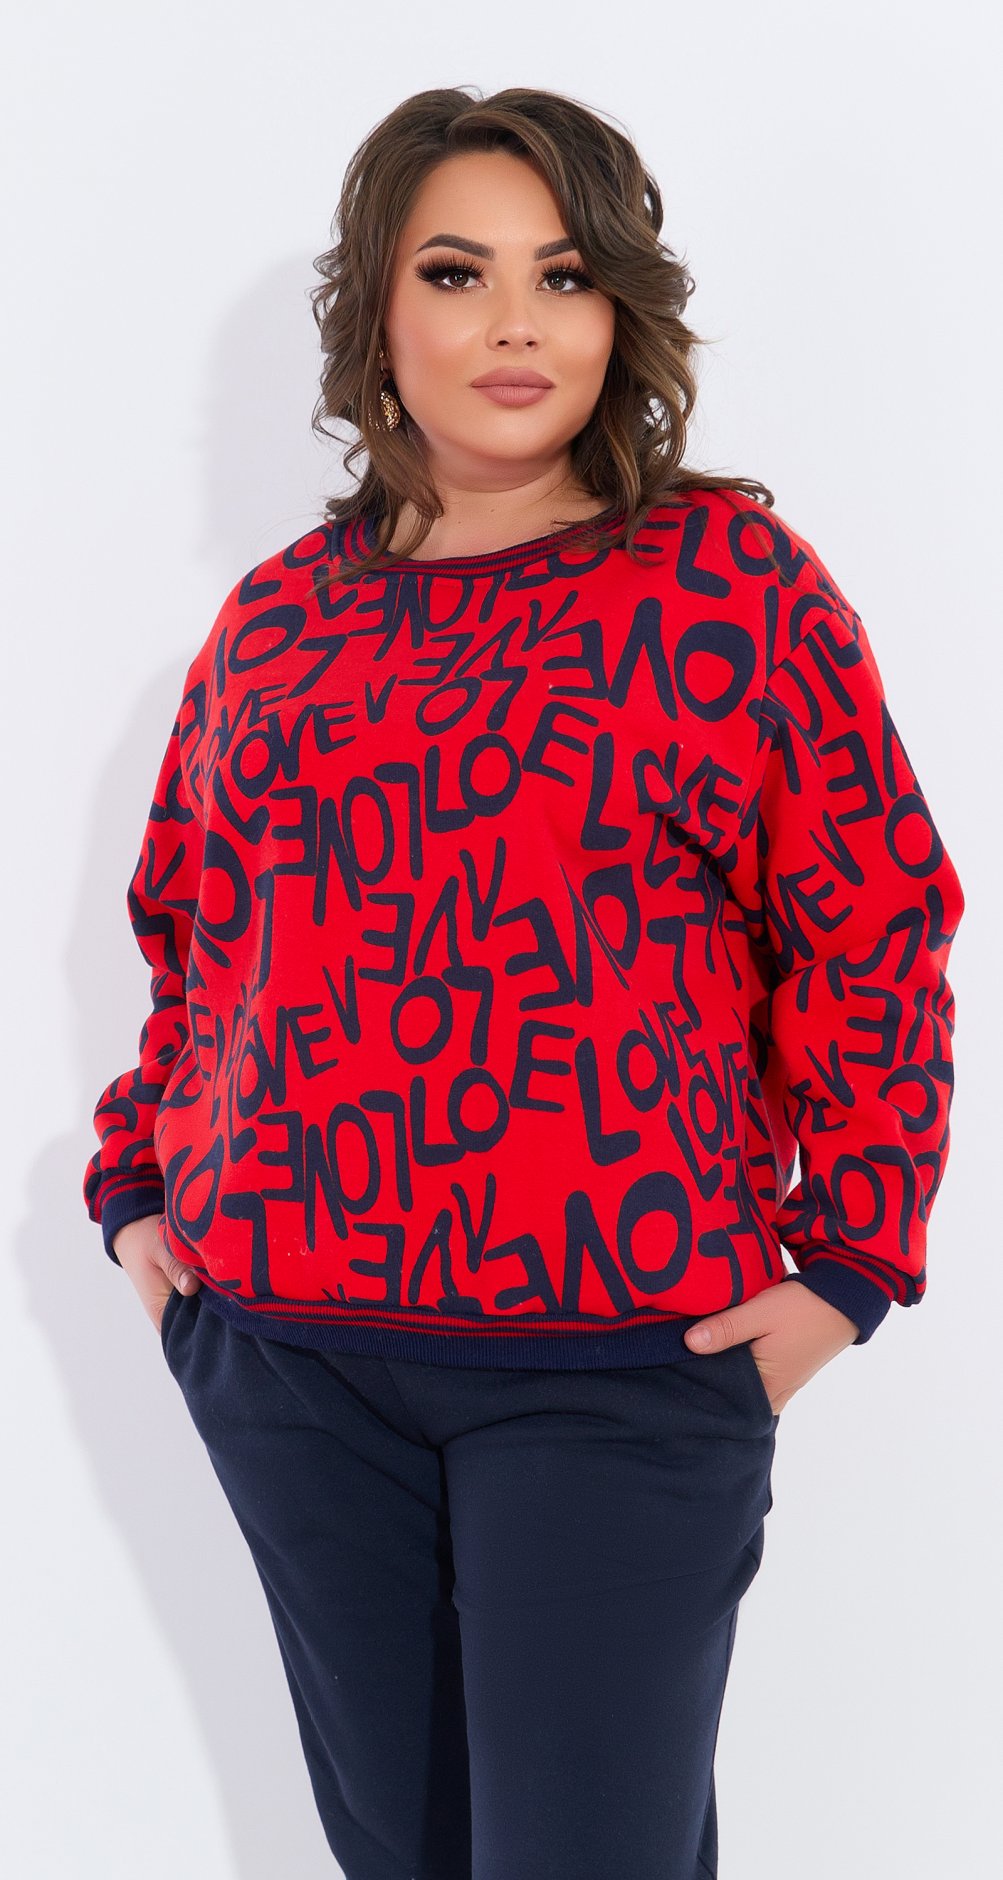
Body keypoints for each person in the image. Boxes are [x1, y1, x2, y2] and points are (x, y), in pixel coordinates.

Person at [83, 86, 966, 1880]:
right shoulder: (278, 618)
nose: (516, 323)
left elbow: (874, 923)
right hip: (297, 1362)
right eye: (457, 272)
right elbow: (199, 931)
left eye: (563, 276)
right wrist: (144, 1194)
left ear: (621, 310)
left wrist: (854, 1264)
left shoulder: (733, 587)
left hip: (618, 1367)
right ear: (377, 317)